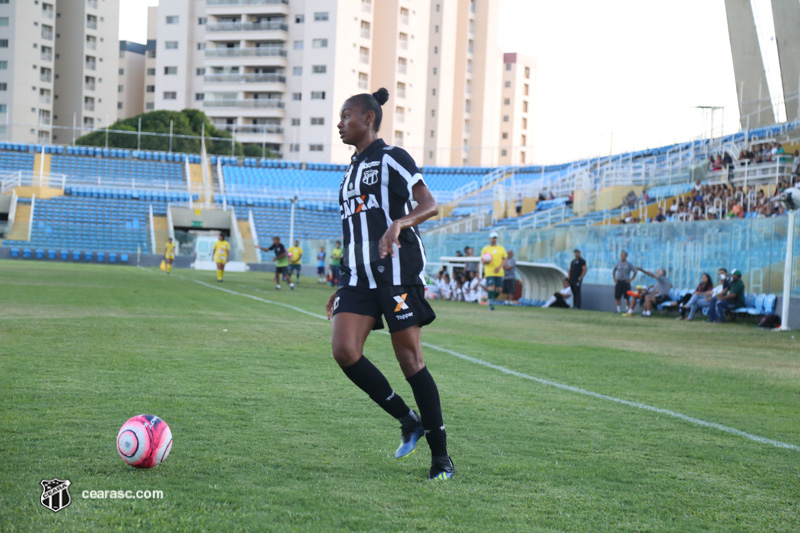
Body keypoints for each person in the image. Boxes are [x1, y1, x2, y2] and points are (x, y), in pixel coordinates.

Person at [326, 87, 454, 481]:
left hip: (398, 273)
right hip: (359, 278)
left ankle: (441, 458)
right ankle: (406, 419)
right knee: (345, 351)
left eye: (346, 115)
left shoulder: (393, 158)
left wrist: (400, 224)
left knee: (410, 362)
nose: (340, 123)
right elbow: (352, 231)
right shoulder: (348, 172)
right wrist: (343, 278)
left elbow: (429, 204)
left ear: (368, 118)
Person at [481, 231, 507, 310]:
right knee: (491, 287)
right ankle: (491, 305)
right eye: (493, 238)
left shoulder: (501, 248)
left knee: (499, 290)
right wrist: (485, 261)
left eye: (495, 238)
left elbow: (505, 258)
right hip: (489, 271)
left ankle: (491, 300)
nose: (494, 239)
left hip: (499, 272)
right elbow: (482, 260)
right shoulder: (486, 248)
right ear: (489, 239)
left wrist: (499, 267)